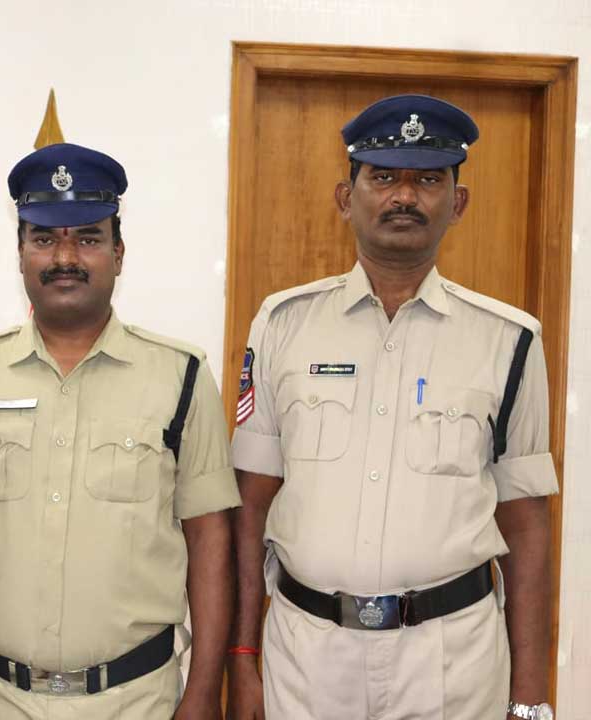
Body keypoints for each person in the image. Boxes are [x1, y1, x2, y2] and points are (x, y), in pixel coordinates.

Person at [226, 95, 558, 720]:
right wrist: (241, 657)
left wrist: (531, 699)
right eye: (382, 177)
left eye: (428, 180)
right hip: (306, 659)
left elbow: (526, 524)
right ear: (345, 198)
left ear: (458, 203)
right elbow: (250, 505)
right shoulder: (282, 324)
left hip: (451, 664)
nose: (404, 196)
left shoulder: (509, 340)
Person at [0, 142, 240, 719]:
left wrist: (205, 690)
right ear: (19, 253)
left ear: (119, 252)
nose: (65, 257)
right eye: (44, 239)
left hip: (136, 701)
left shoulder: (181, 376)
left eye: (88, 238)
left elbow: (209, 540)